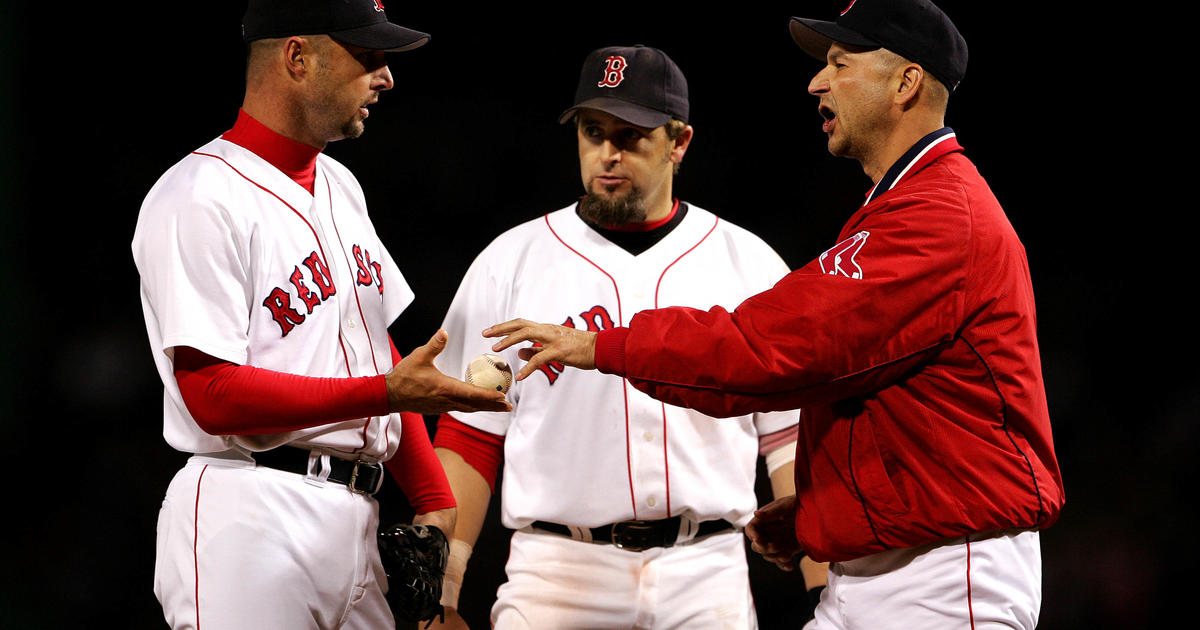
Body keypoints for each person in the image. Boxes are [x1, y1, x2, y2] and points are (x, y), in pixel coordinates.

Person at [482, 2, 1065, 629]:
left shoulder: (938, 215)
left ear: (906, 83)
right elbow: (872, 392)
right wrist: (825, 511)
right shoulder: (903, 203)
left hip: (946, 576)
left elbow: (775, 350)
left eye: (840, 64)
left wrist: (600, 346)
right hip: (891, 563)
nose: (817, 81)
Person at [130, 2, 509, 628]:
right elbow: (212, 394)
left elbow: (375, 347)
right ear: (298, 58)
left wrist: (434, 497)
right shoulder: (197, 195)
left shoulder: (340, 186)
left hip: (357, 519)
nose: (385, 77)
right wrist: (386, 392)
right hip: (249, 509)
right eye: (369, 56)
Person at [426, 45, 822, 629]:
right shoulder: (511, 260)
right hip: (557, 571)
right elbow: (469, 438)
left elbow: (792, 441)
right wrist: (445, 592)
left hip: (706, 570)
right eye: (593, 132)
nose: (607, 154)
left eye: (631, 135)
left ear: (679, 142)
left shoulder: (749, 263)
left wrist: (821, 593)